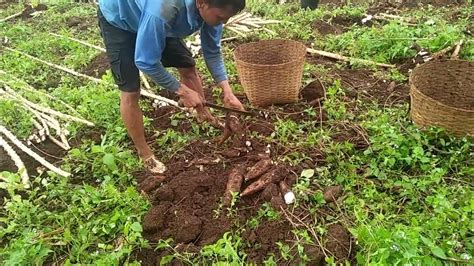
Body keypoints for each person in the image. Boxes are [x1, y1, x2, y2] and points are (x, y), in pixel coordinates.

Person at [98, 0, 246, 174]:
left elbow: (212, 52)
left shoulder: (215, 9)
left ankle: (204, 115)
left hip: (157, 19)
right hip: (121, 20)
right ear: (201, 3)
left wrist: (227, 92)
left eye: (228, 18)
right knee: (131, 91)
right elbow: (146, 62)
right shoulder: (163, 10)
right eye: (221, 17)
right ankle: (144, 153)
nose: (225, 22)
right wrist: (182, 91)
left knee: (188, 67)